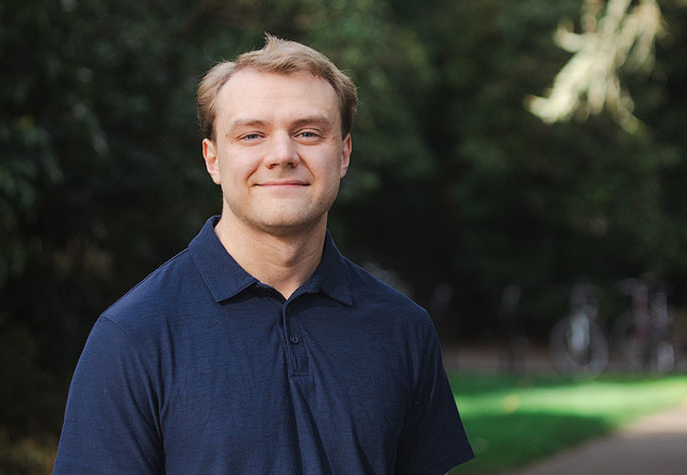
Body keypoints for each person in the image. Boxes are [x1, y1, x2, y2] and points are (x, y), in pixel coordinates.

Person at [52, 35, 474, 474]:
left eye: (308, 133)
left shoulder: (402, 328)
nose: (282, 155)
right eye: (252, 135)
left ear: (344, 154)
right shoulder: (133, 336)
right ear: (213, 159)